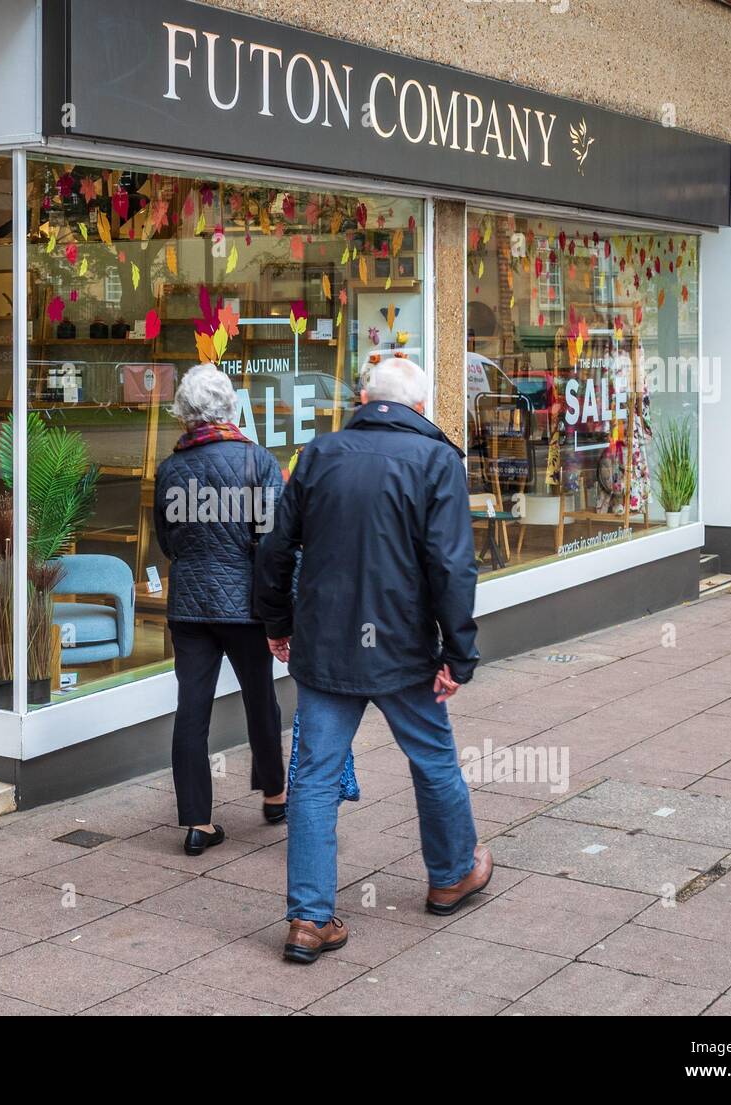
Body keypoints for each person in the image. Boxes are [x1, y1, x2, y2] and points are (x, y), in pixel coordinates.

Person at [255, 355, 490, 964]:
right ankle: (451, 875)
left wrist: (278, 624)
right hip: (403, 648)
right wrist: (458, 654)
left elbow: (276, 550)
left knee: (313, 778)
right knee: (434, 761)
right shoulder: (437, 460)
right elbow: (452, 568)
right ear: (417, 409)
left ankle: (307, 920)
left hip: (326, 642)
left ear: (364, 400)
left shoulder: (320, 455)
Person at [154, 363, 287, 856]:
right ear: (230, 407)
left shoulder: (170, 468)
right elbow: (273, 545)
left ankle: (197, 822)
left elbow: (166, 539)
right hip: (246, 607)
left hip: (189, 606)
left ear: (184, 413)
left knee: (191, 710)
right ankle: (274, 795)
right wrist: (280, 610)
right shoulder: (258, 463)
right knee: (260, 701)